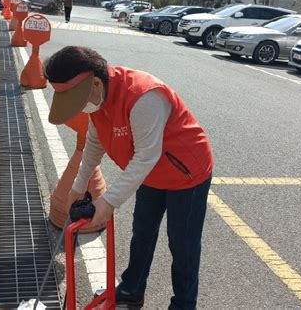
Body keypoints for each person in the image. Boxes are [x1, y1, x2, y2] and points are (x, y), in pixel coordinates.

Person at [45, 46, 214, 309]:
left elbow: (146, 156)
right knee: (142, 232)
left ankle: (184, 303)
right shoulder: (98, 102)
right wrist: (78, 187)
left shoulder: (143, 97)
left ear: (96, 84)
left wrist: (107, 202)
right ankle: (132, 288)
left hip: (186, 173)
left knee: (183, 245)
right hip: (151, 174)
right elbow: (94, 142)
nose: (80, 109)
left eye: (78, 101)